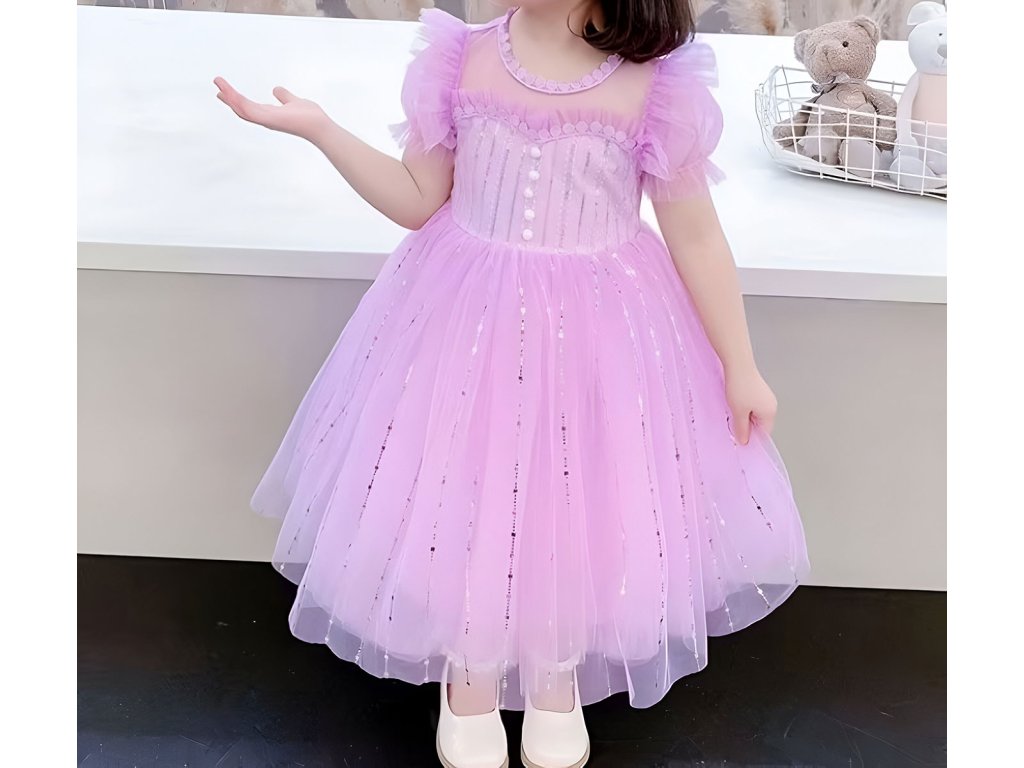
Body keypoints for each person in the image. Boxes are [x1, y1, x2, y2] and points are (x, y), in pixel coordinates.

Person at [215, 2, 810, 766]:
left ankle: (556, 662)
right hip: (464, 323)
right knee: (466, 487)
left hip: (599, 334)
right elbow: (417, 198)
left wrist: (740, 364)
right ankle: (472, 662)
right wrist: (322, 129)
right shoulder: (460, 57)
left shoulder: (654, 83)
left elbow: (694, 233)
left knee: (576, 493)